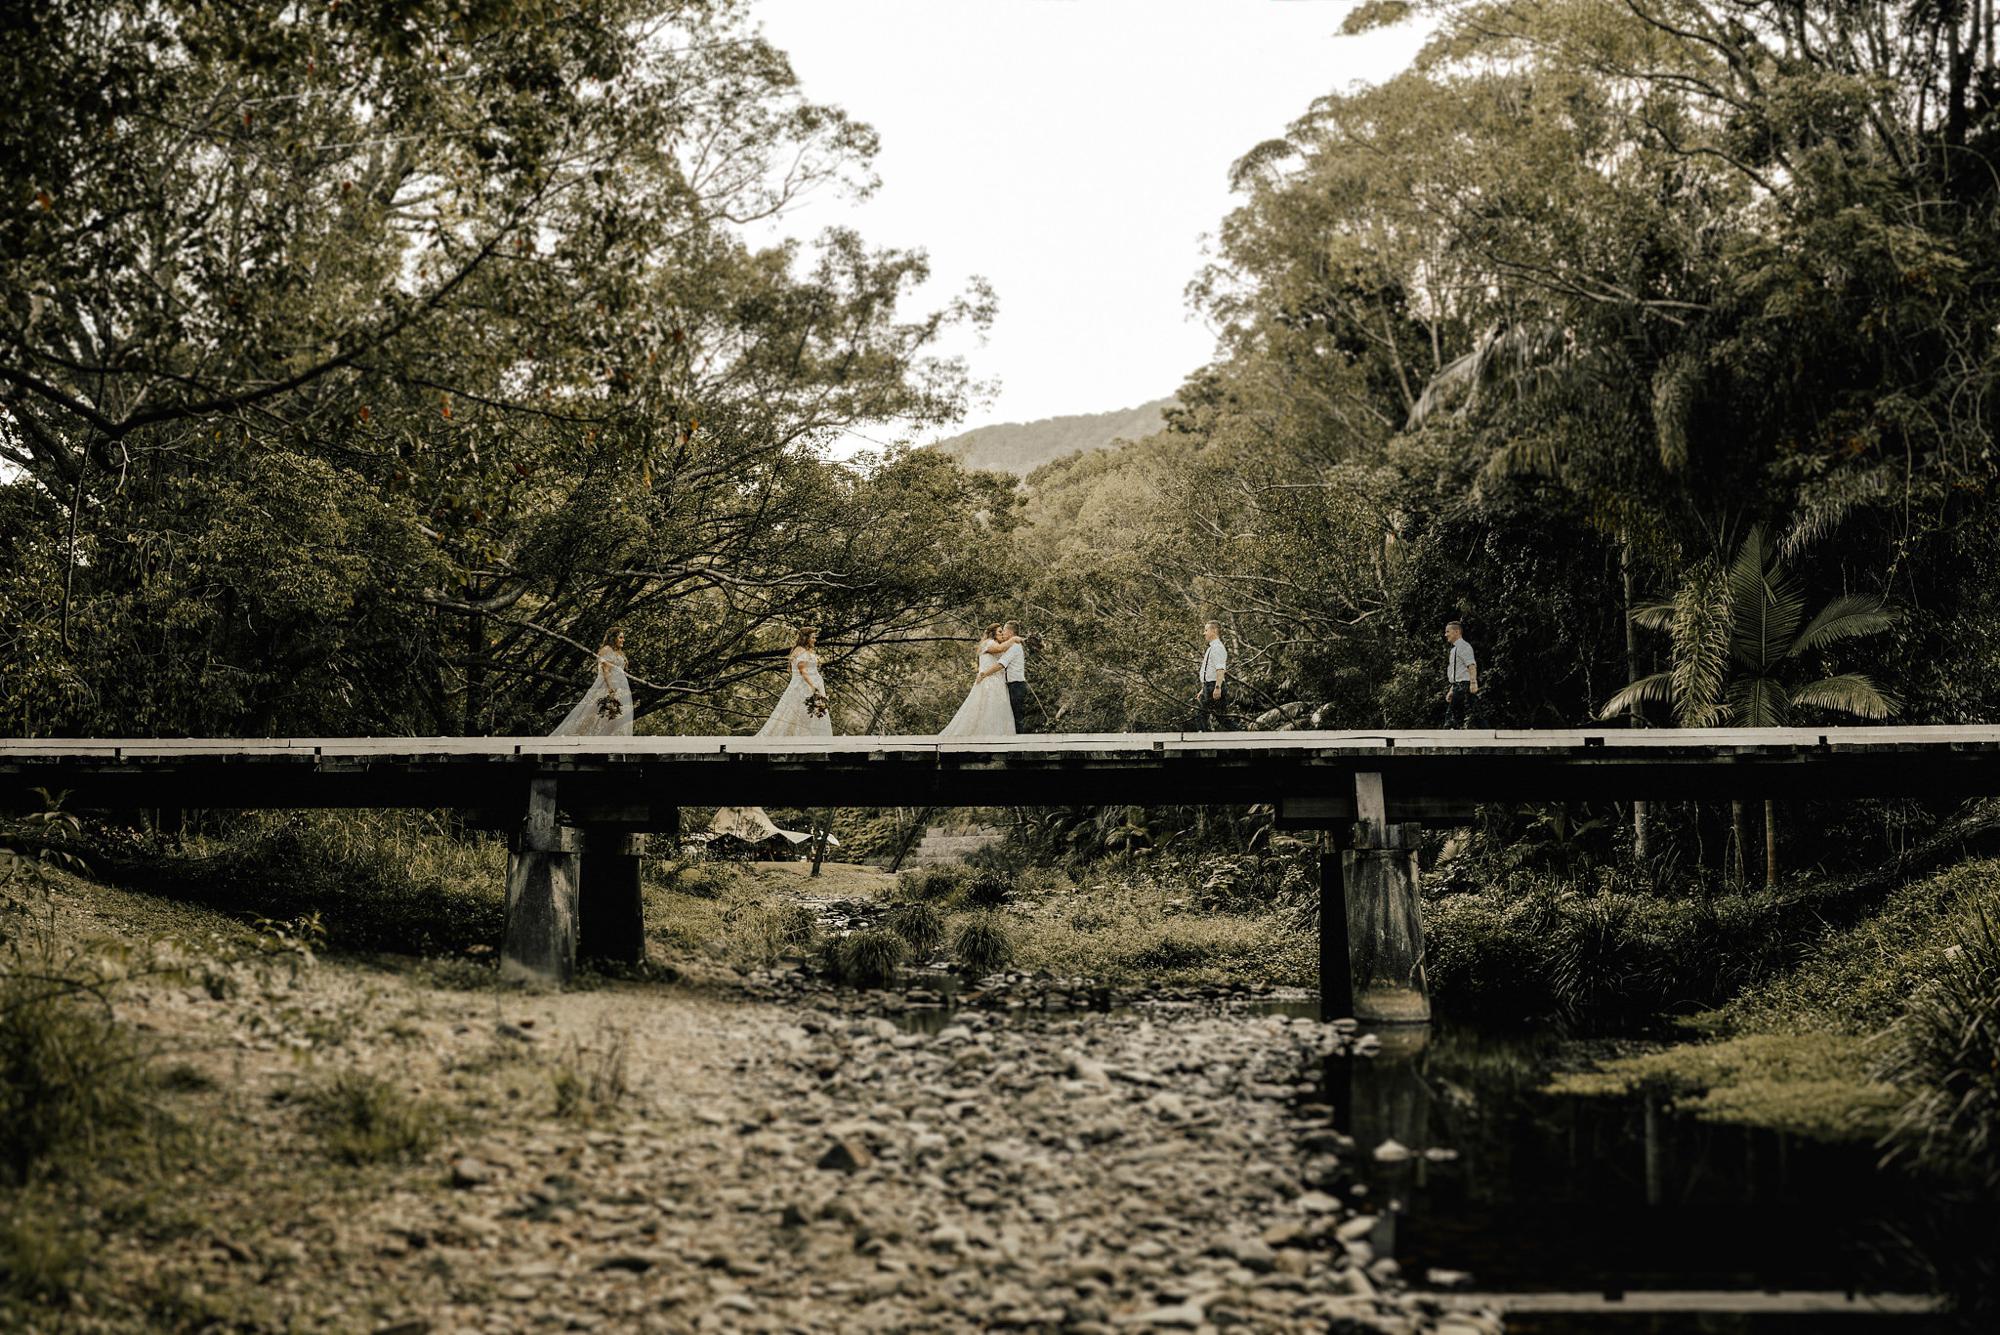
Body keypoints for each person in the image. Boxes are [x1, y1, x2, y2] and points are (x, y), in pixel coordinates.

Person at [709, 628, 830, 845]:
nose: (815, 639)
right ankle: (795, 740)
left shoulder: (808, 650)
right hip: (804, 687)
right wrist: (814, 687)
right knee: (794, 714)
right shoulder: (799, 652)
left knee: (807, 716)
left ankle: (806, 740)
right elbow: (802, 671)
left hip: (812, 685)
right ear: (805, 637)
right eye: (813, 636)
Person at [937, 623, 1019, 737]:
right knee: (985, 709)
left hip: (998, 681)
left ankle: (998, 737)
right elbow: (1000, 648)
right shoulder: (989, 643)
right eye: (999, 631)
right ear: (993, 633)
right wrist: (1014, 639)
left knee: (996, 710)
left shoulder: (997, 644)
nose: (1002, 634)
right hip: (988, 681)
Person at [551, 629, 635, 737]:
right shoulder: (606, 650)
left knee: (617, 713)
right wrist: (610, 688)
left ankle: (609, 738)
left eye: (623, 637)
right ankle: (581, 735)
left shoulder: (618, 652)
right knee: (596, 710)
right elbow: (605, 670)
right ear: (613, 638)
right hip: (608, 685)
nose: (623, 640)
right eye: (620, 637)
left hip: (621, 686)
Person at [1443, 620, 1482, 728]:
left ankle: (1446, 739)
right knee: (1473, 713)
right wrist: (1452, 689)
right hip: (1458, 685)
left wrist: (1473, 683)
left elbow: (1471, 665)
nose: (1446, 635)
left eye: (1448, 631)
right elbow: (1457, 672)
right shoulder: (1453, 650)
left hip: (1465, 684)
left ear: (1457, 632)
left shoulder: (1464, 646)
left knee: (1451, 716)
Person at [1197, 620, 1233, 732]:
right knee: (1201, 713)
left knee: (1221, 717)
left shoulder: (1218, 647)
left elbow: (1220, 669)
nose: (1204, 633)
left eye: (1206, 630)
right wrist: (1203, 689)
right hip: (1208, 686)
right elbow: (1209, 671)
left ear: (1214, 631)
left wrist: (1218, 687)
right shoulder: (1211, 648)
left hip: (1214, 686)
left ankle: (1242, 735)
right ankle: (1203, 737)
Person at [999, 620, 1030, 732]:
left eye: (1004, 630)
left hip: (1017, 685)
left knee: (1017, 716)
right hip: (1013, 684)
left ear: (1011, 633)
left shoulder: (1015, 647)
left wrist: (985, 673)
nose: (1002, 632)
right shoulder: (1011, 645)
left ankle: (1018, 746)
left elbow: (1002, 664)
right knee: (1013, 716)